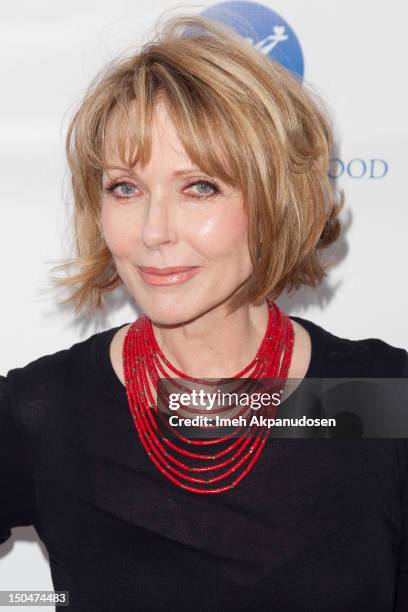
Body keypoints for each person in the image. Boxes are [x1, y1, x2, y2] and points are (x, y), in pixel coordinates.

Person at [1, 13, 407, 612]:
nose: (154, 231)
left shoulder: (380, 396)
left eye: (200, 188)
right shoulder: (42, 411)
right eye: (125, 188)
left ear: (274, 199)